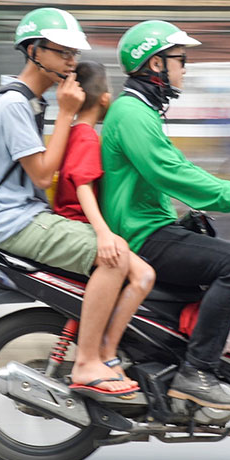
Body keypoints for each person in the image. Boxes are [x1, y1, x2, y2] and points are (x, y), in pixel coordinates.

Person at [101, 20, 230, 410]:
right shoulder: (133, 113)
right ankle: (196, 372)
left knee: (212, 249)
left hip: (148, 225)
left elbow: (178, 168)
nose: (184, 68)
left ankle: (180, 362)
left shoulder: (141, 111)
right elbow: (168, 173)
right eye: (179, 59)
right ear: (156, 65)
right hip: (140, 236)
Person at [0, 7, 138, 396]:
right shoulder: (15, 105)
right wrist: (67, 113)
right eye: (62, 52)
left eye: (74, 54)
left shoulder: (30, 102)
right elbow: (42, 175)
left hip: (27, 215)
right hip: (16, 221)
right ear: (34, 50)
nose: (71, 62)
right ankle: (88, 362)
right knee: (113, 257)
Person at [52, 60, 155, 388]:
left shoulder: (75, 133)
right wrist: (103, 232)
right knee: (143, 275)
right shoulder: (85, 137)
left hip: (76, 222)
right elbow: (82, 185)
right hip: (79, 224)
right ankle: (105, 352)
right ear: (106, 99)